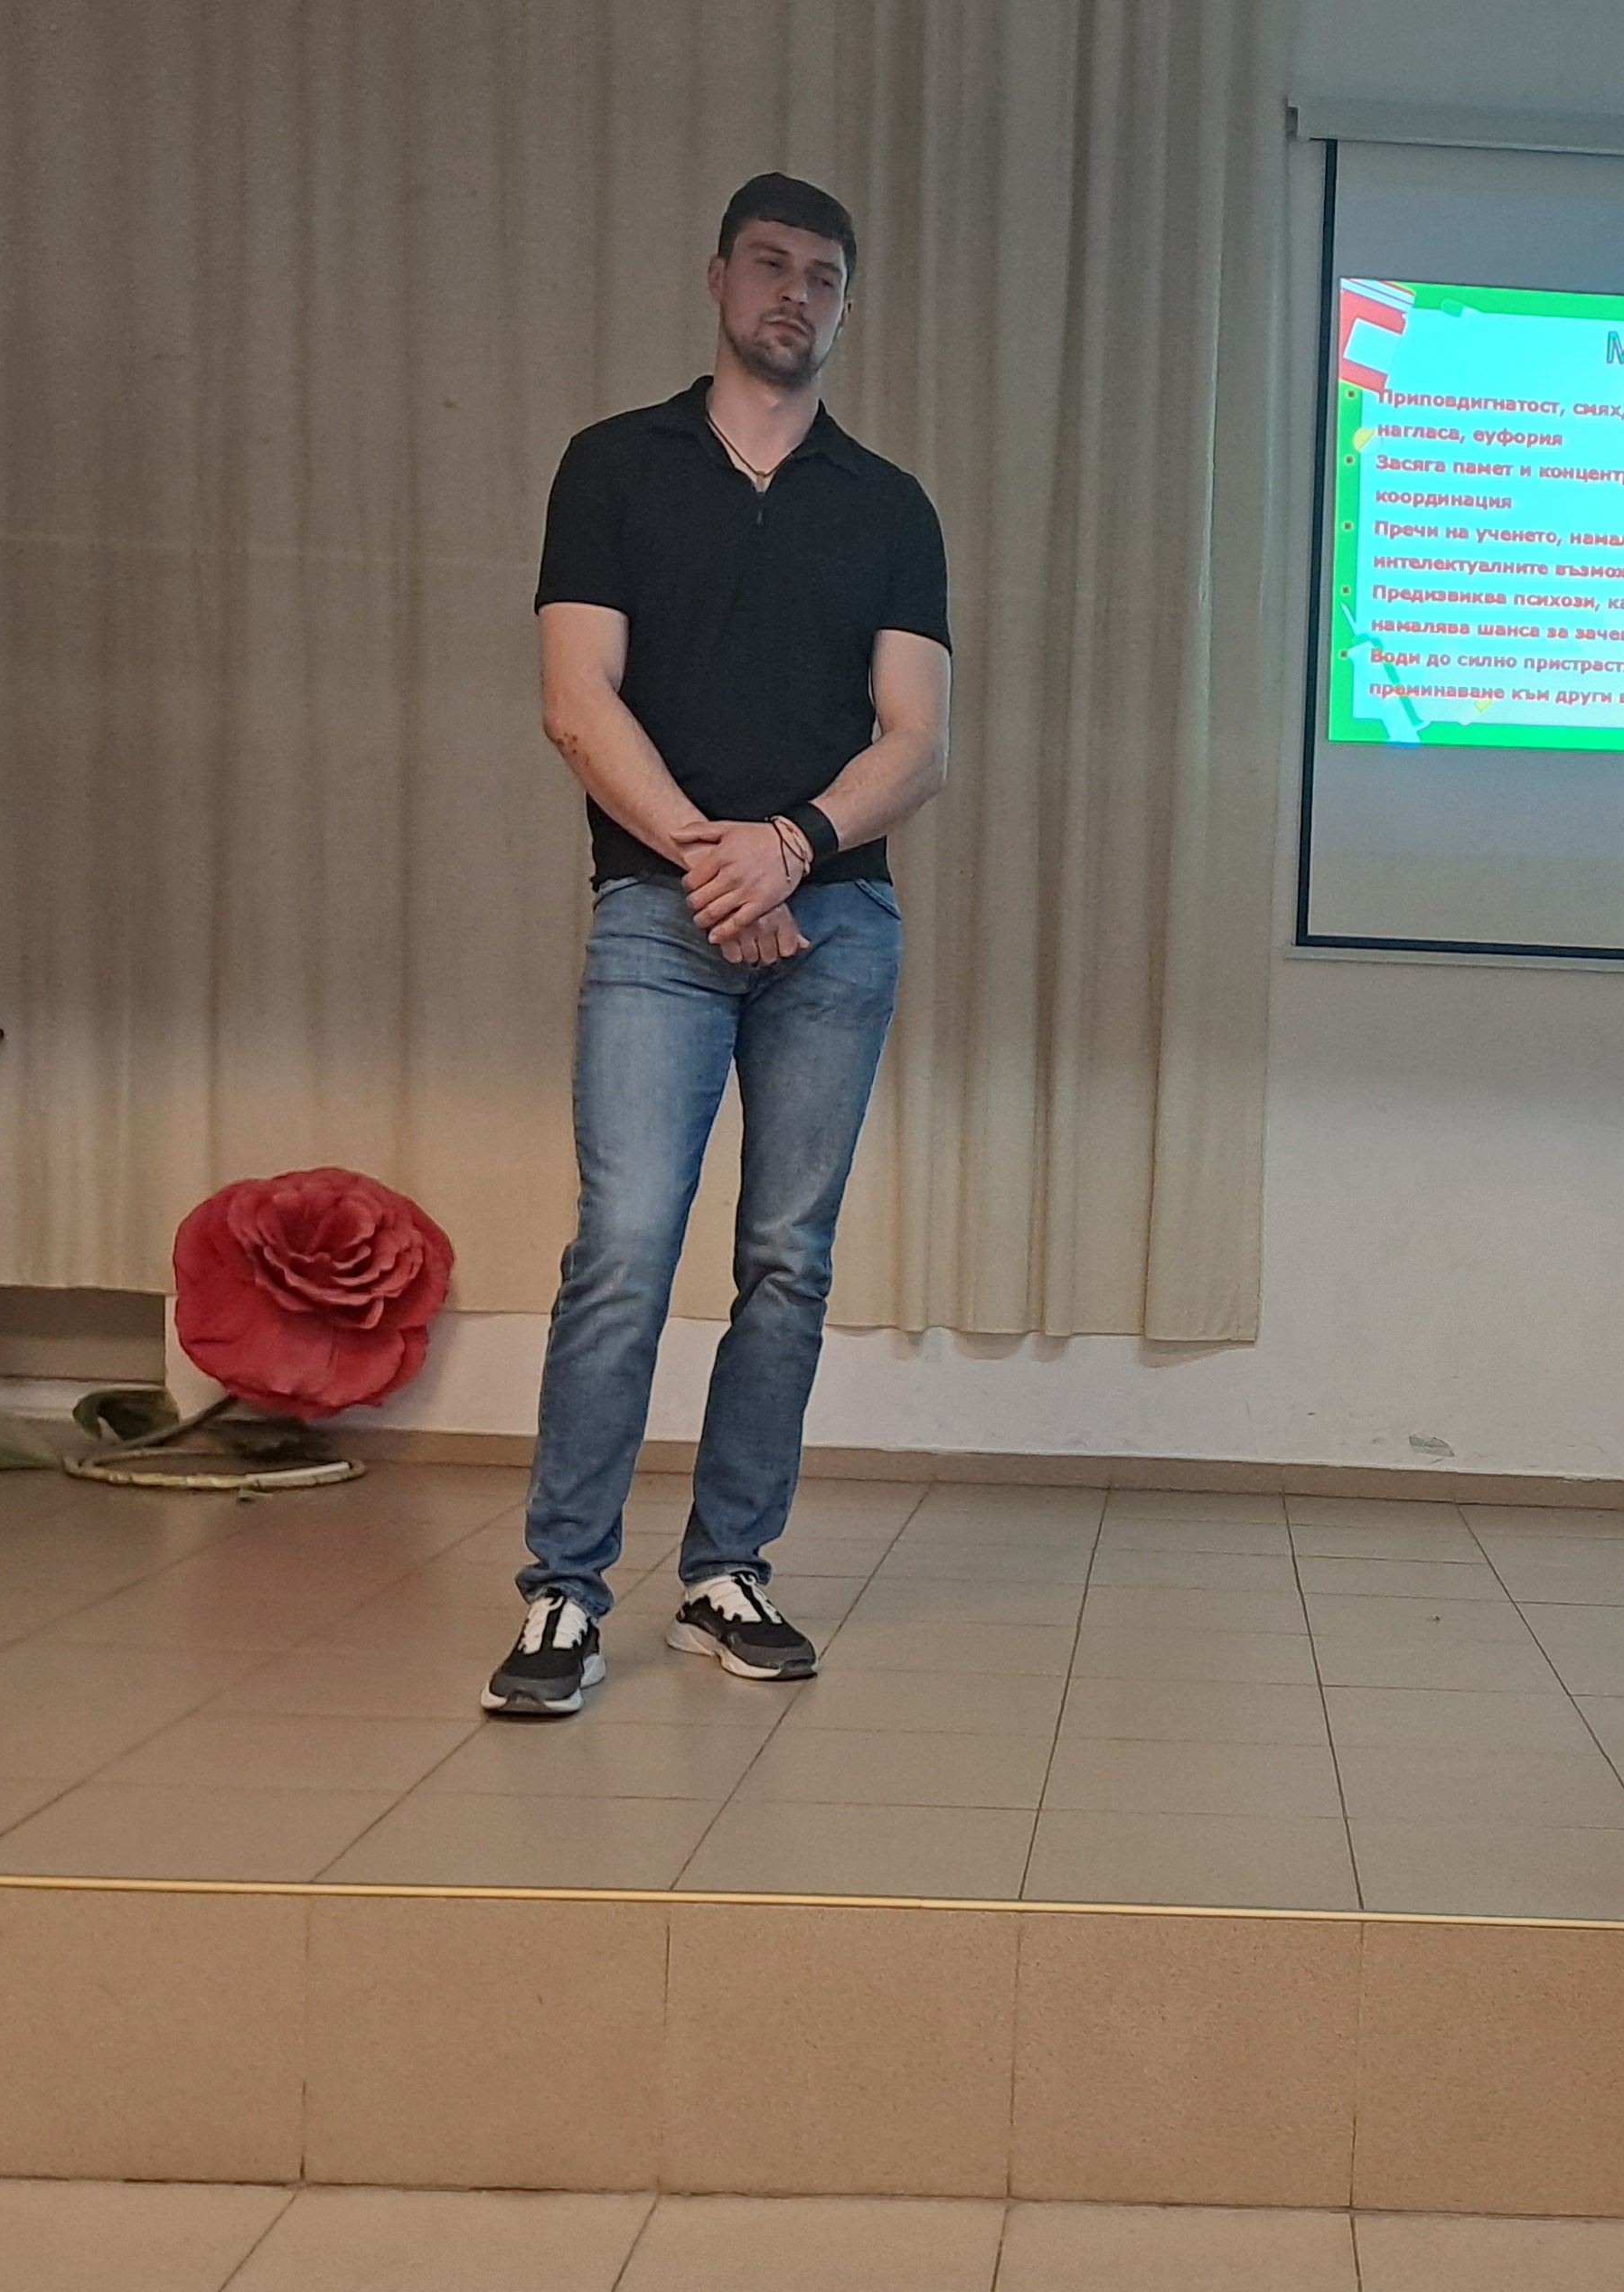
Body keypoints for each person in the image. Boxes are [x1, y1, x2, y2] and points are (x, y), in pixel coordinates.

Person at [486, 174, 953, 1716]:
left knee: (787, 1264)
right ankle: (563, 1593)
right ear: (718, 280)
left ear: (845, 307)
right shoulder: (615, 466)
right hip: (658, 915)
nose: (795, 295)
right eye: (771, 264)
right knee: (624, 1248)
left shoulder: (887, 507)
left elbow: (918, 741)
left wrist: (791, 849)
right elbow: (576, 700)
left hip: (836, 921)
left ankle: (726, 1572)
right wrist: (712, 859)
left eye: (825, 277)